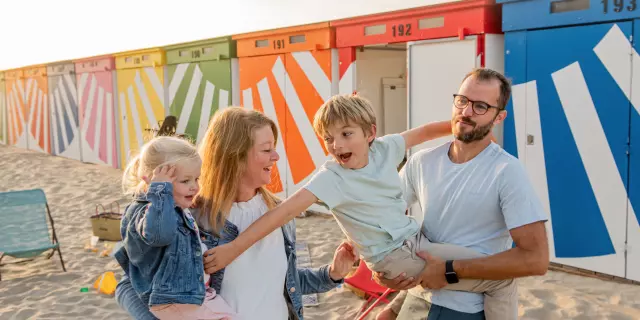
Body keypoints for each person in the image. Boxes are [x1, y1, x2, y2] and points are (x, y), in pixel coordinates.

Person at [205, 94, 519, 320]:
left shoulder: (384, 149)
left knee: (495, 266)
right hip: (393, 257)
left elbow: (424, 132)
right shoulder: (331, 178)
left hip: (416, 242)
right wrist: (232, 249)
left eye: (346, 134)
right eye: (328, 138)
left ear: (370, 133)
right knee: (501, 276)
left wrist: (468, 131)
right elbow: (281, 213)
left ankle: (393, 309)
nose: (337, 145)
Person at [114, 107, 357, 320]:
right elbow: (129, 286)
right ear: (235, 157)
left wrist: (332, 274)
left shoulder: (280, 214)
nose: (276, 156)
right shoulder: (190, 216)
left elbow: (282, 282)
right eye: (266, 149)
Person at [374, 68, 550, 320]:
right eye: (463, 101)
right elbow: (383, 218)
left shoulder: (506, 171)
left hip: (465, 308)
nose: (466, 112)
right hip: (418, 295)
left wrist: (450, 270)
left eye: (480, 106)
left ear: (499, 117)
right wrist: (383, 268)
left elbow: (536, 259)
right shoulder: (422, 161)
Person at [115, 136, 236, 319]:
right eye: (185, 181)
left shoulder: (174, 208)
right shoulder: (145, 211)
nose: (194, 187)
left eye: (196, 179)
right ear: (155, 183)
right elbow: (160, 235)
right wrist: (161, 192)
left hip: (193, 295)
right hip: (174, 299)